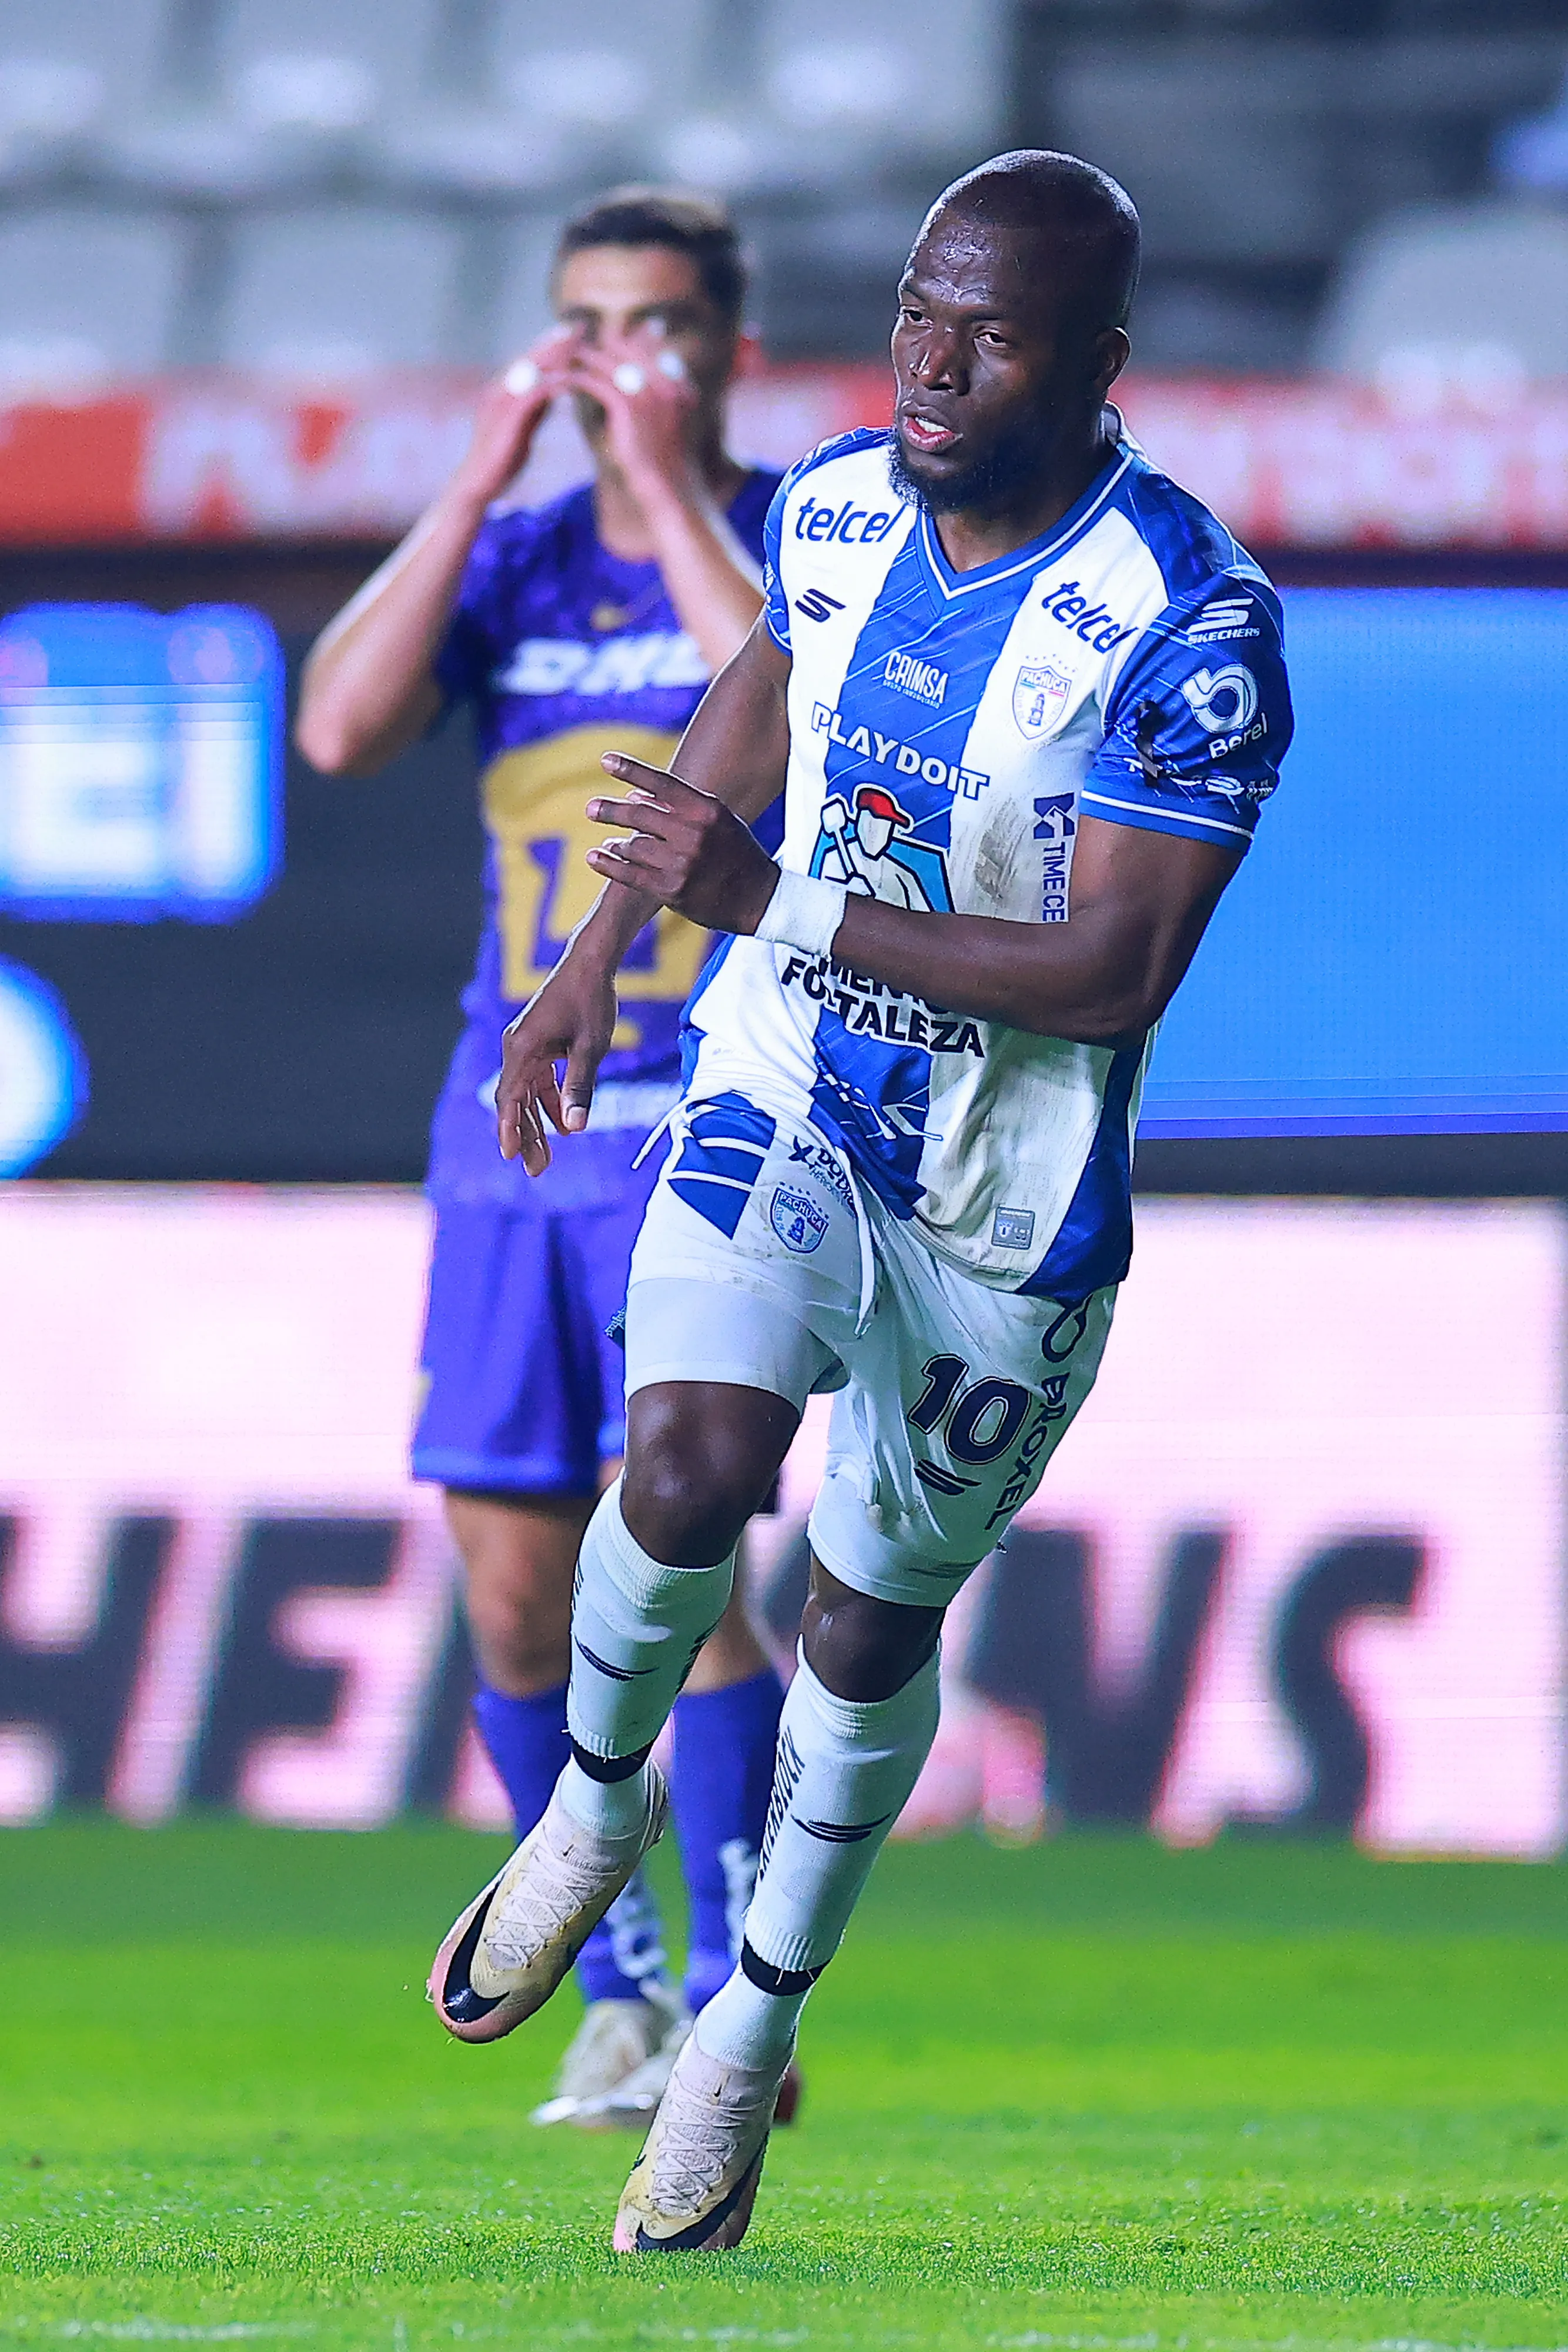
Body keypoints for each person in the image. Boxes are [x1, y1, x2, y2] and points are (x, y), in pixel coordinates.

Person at [427, 148, 1294, 2247]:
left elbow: (1112, 972)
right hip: (792, 1080)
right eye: (918, 307)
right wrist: (596, 958)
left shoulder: (1195, 624)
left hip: (1011, 1195)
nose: (929, 359)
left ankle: (741, 2038)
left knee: (862, 1624)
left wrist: (778, 900)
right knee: (686, 1466)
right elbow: (770, 690)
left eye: (987, 334)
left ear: (1096, 368)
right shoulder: (827, 508)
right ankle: (591, 1810)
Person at [296, 188, 792, 2129]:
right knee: (508, 1582)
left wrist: (665, 477)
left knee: (669, 1562)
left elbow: (782, 690)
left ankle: (752, 1989)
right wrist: (487, 463)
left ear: (728, 344)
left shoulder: (803, 538)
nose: (616, 362)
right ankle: (620, 1992)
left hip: (710, 1112)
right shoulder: (512, 564)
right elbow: (339, 722)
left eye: (656, 324)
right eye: (585, 324)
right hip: (512, 1131)